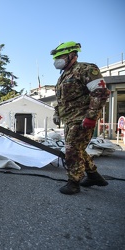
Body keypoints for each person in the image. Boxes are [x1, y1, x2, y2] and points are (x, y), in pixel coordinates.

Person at [50, 41, 110, 195]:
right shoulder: (63, 77)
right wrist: (57, 113)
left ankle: (73, 183)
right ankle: (94, 176)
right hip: (70, 119)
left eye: (61, 56)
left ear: (72, 55)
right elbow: (61, 99)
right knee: (78, 149)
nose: (57, 60)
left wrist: (91, 117)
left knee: (72, 149)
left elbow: (100, 92)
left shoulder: (86, 69)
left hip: (82, 118)